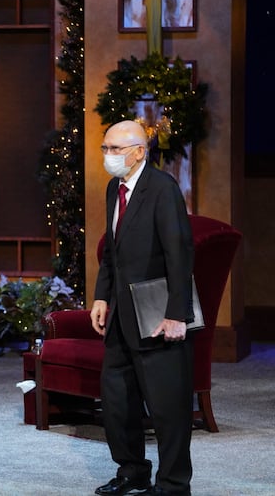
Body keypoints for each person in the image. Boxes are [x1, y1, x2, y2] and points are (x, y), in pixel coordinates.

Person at [90, 120, 195, 496]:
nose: (108, 157)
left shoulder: (162, 189)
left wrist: (176, 314)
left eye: (115, 150)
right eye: (105, 149)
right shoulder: (113, 188)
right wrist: (102, 296)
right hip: (121, 313)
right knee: (117, 401)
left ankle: (172, 484)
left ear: (139, 152)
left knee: (168, 407)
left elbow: (179, 254)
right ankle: (132, 471)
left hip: (156, 313)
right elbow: (111, 253)